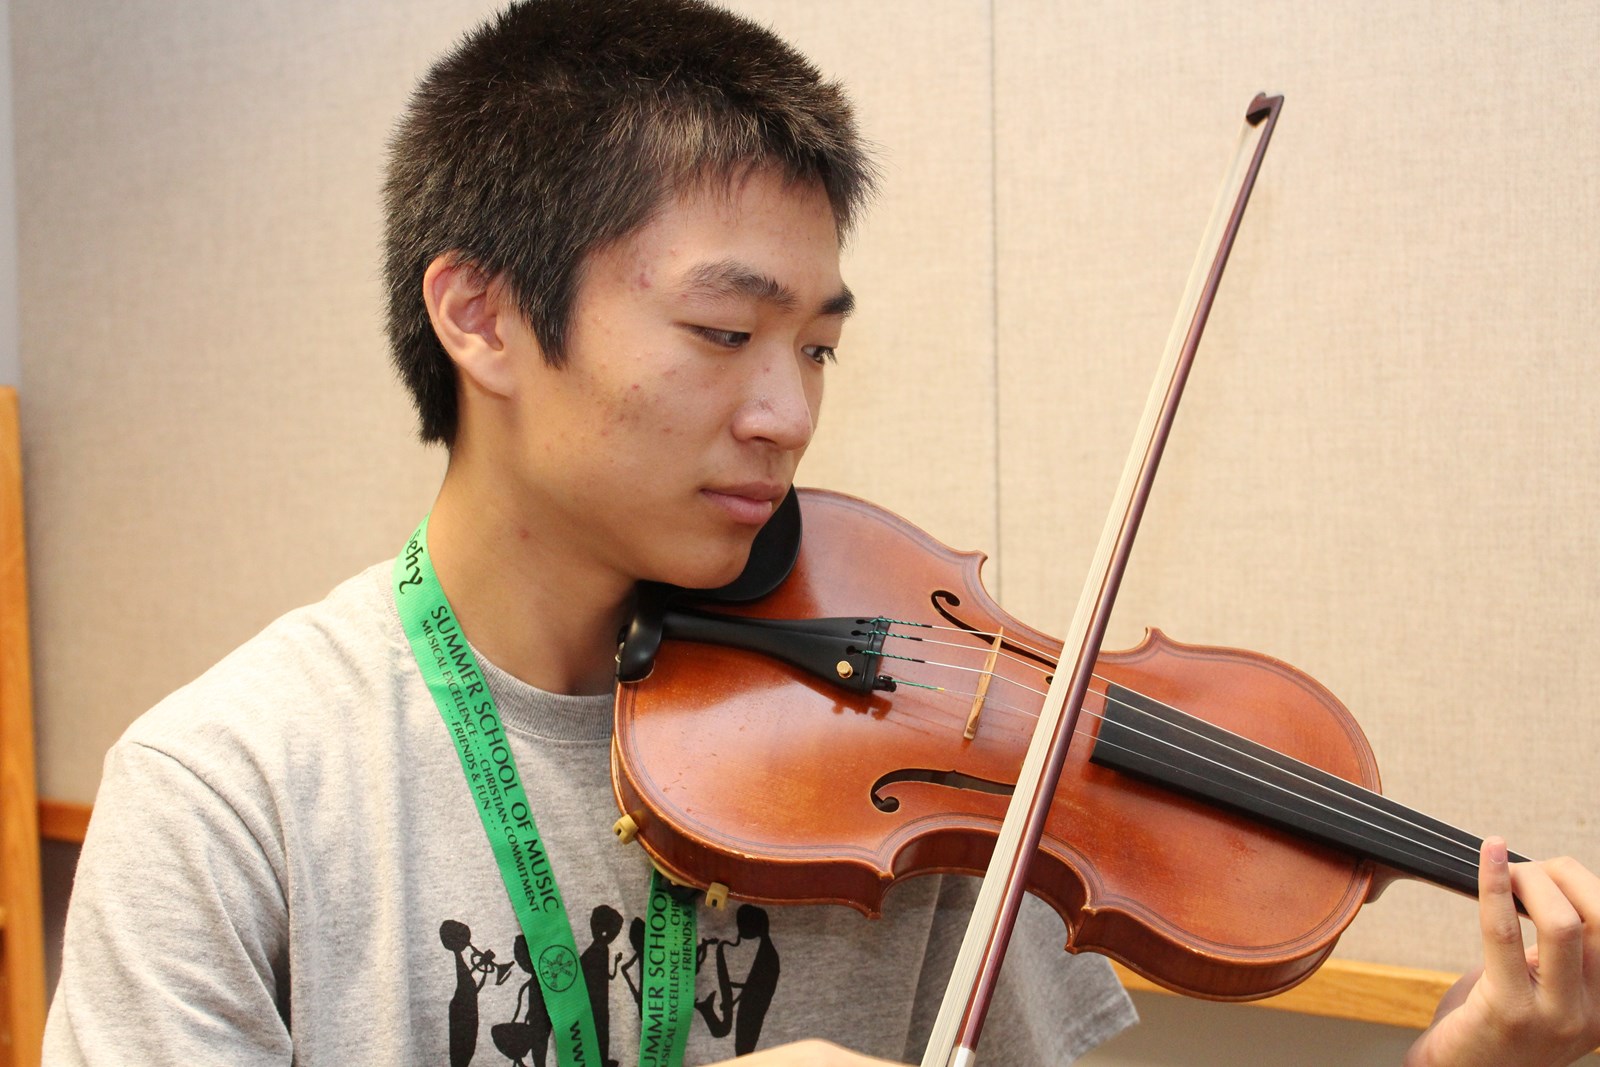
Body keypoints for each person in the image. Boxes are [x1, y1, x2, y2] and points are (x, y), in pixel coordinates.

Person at [40, 2, 1600, 1065]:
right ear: (483, 316)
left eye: (821, 347)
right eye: (726, 334)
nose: (789, 414)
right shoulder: (229, 796)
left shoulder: (919, 754)